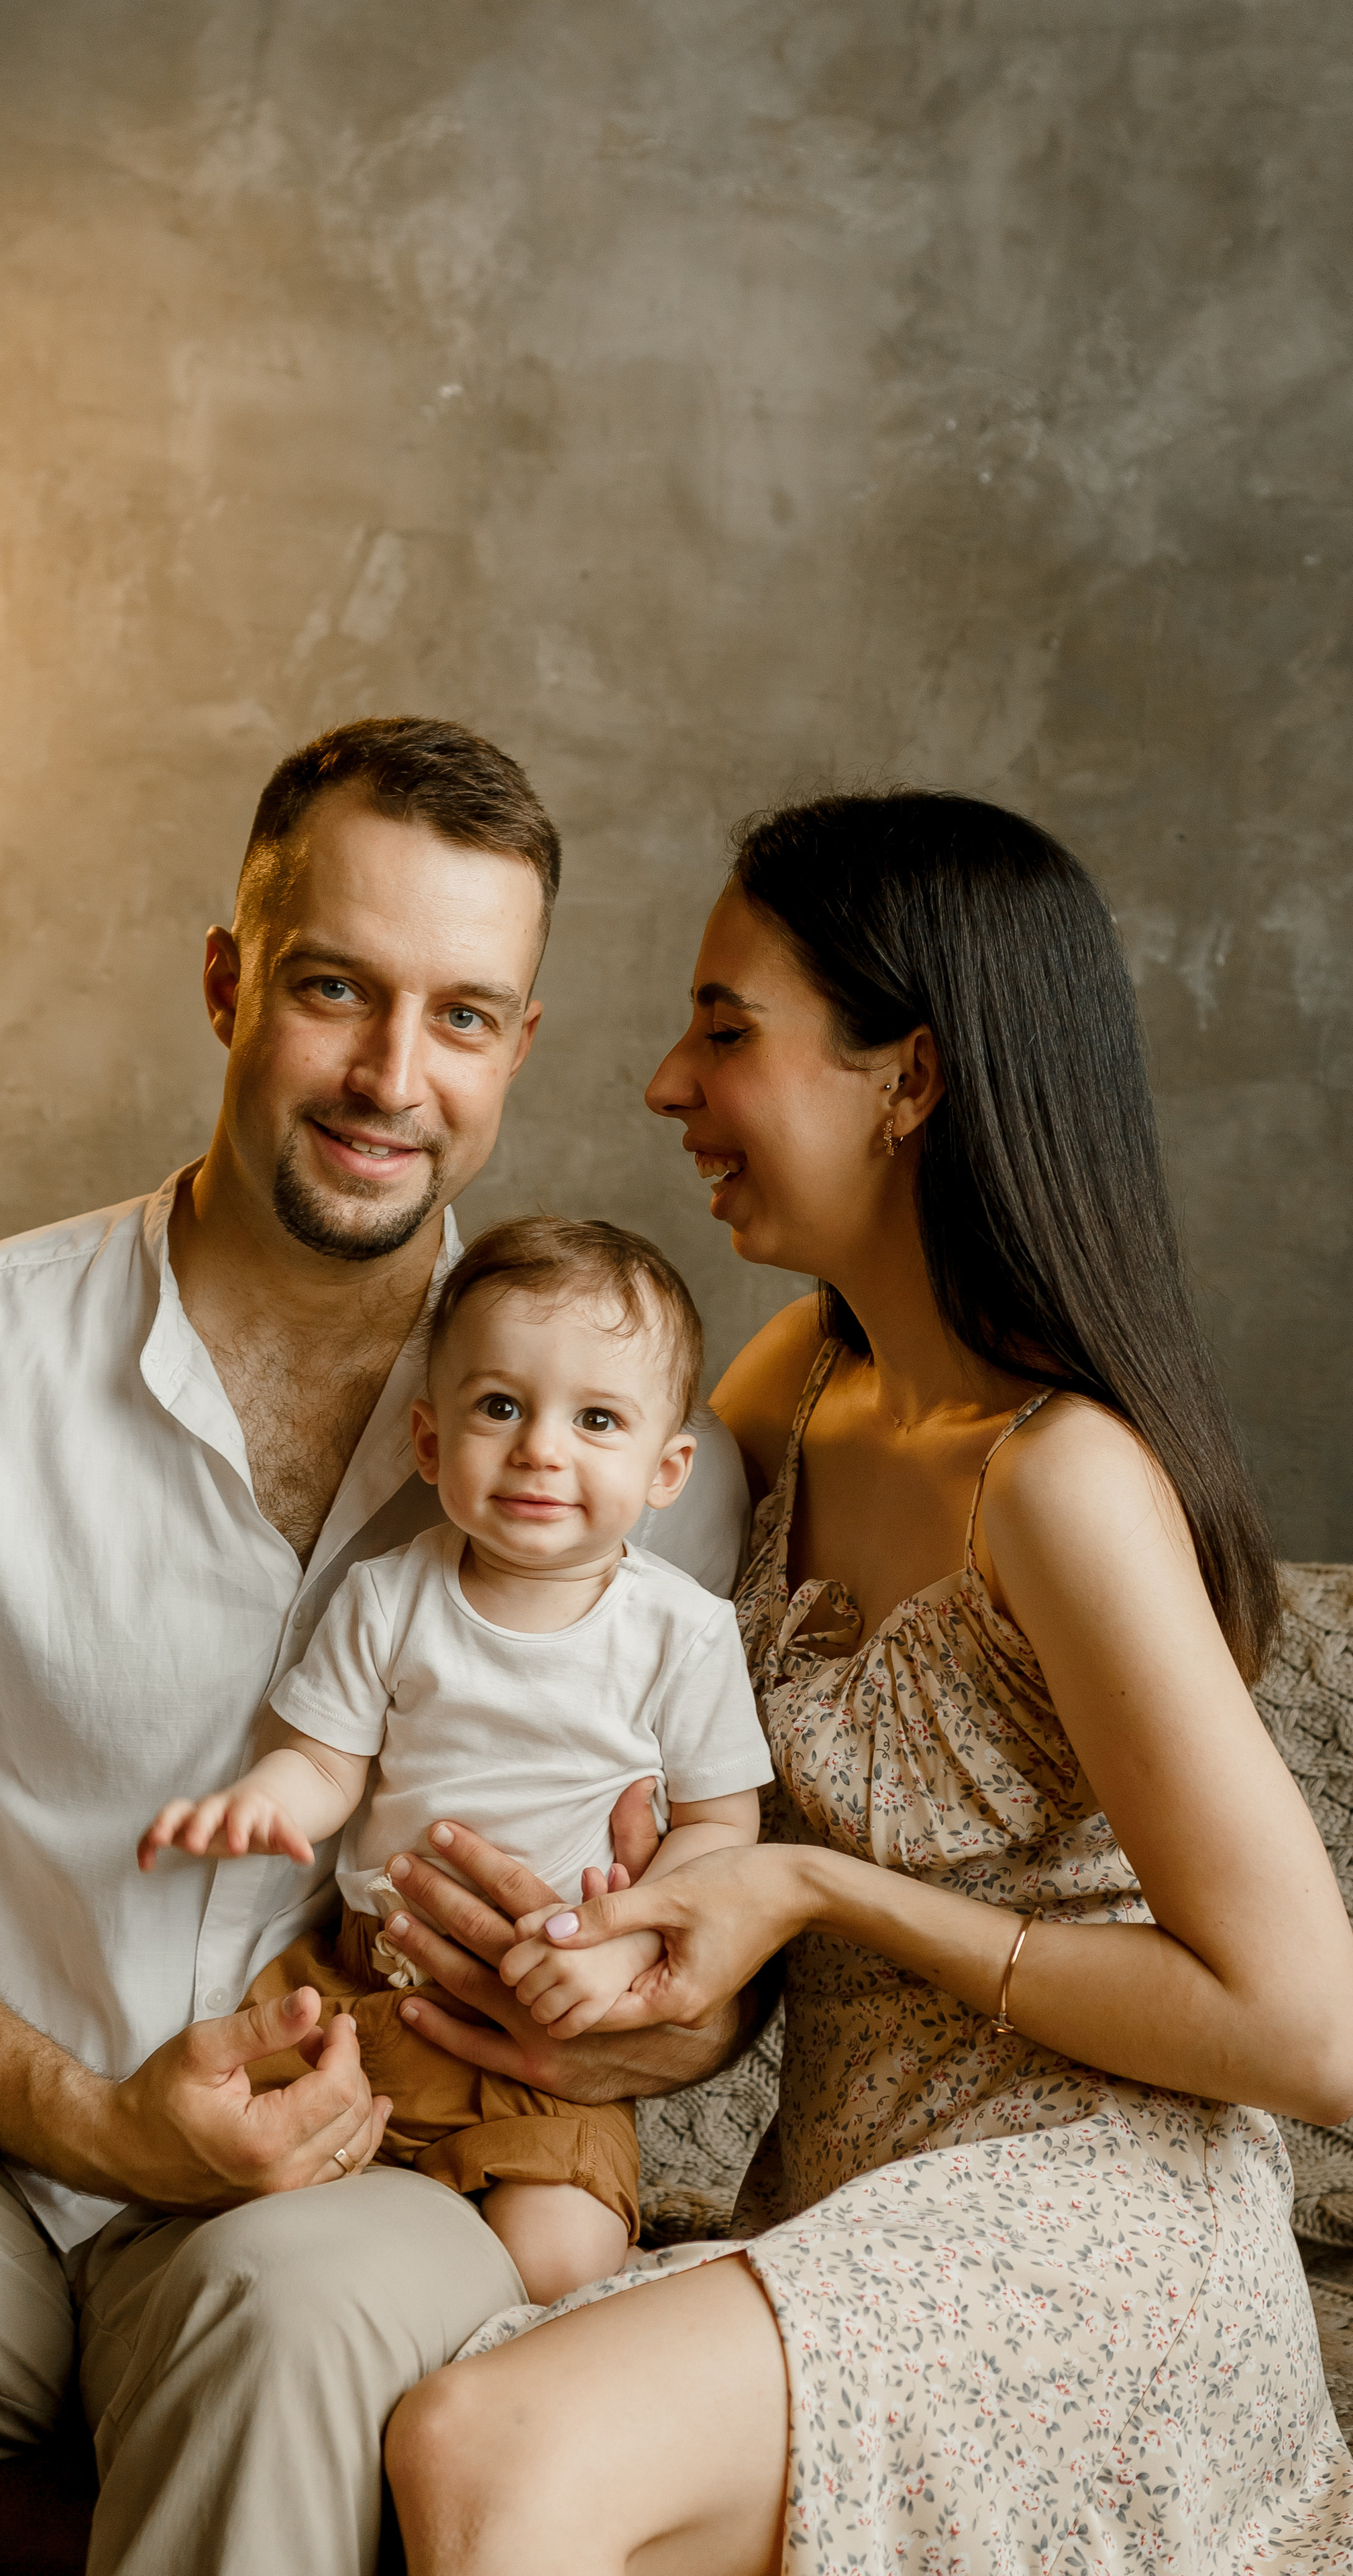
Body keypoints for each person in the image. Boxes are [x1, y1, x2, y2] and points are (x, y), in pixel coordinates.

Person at [0, 716, 753, 2576]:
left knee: (298, 2317)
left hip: (371, 2170)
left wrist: (655, 2015)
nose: (395, 1077)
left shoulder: (627, 1443)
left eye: (465, 1016)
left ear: (521, 1047)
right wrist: (90, 2118)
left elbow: (708, 1913)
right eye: (338, 990)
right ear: (231, 981)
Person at [384, 790, 1353, 2576]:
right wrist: (585, 1942)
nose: (666, 1085)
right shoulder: (789, 1388)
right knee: (439, 2414)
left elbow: (1311, 2032)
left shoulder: (1062, 1480)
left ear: (908, 1080)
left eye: (725, 1032)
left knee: (486, 2444)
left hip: (1090, 2225)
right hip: (849, 2199)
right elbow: (599, 1700)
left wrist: (822, 1888)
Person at [141, 1215, 772, 2303]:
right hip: (365, 1983)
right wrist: (262, 1800)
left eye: (598, 1420)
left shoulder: (683, 1631)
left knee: (561, 2258)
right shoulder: (391, 1596)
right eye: (500, 1407)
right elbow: (328, 1763)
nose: (540, 1448)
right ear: (432, 1446)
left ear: (667, 1468)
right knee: (249, 2205)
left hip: (556, 2014)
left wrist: (624, 1947)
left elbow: (722, 1827)